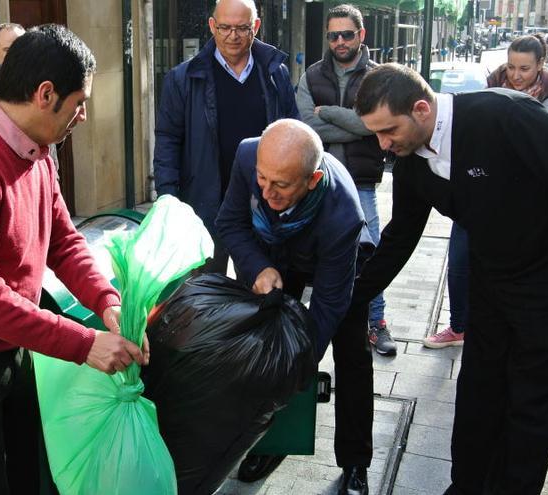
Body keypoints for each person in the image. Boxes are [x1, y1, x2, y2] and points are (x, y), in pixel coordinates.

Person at [0, 25, 148, 494]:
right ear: (45, 94)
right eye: (79, 103)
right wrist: (84, 344)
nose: (82, 116)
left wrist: (107, 302)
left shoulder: (39, 153)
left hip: (12, 345)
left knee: (31, 478)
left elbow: (63, 240)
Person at [353, 63, 548, 494]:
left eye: (388, 130)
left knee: (531, 407)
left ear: (421, 109)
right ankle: (467, 485)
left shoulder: (504, 116)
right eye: (375, 134)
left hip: (547, 288)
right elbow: (400, 236)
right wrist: (352, 296)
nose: (383, 145)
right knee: (477, 397)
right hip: (488, 282)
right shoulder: (411, 160)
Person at [216, 119, 372, 494]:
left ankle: (355, 462)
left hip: (336, 259)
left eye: (281, 185)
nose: (266, 192)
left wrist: (300, 361)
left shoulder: (344, 214)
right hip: (275, 252)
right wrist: (259, 267)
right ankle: (271, 443)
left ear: (312, 180)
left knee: (350, 351)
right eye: (262, 179)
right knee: (264, 344)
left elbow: (328, 307)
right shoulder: (248, 154)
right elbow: (231, 223)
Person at [428, 34, 548, 349]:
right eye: (512, 66)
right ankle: (459, 326)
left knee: (503, 268)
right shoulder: (492, 83)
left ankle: (502, 330)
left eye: (525, 69)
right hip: (479, 186)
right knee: (459, 259)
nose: (516, 75)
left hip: (522, 199)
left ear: (540, 66)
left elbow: (536, 150)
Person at [153, 0, 298, 274]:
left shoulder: (275, 73)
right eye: (225, 27)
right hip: (205, 207)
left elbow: (293, 132)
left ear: (255, 26)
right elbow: (168, 140)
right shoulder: (183, 78)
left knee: (260, 295)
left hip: (262, 206)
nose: (233, 36)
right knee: (204, 297)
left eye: (242, 28)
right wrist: (167, 198)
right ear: (212, 26)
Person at [296, 4, 396, 357]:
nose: (339, 41)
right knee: (313, 252)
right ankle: (312, 323)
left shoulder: (378, 77)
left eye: (347, 34)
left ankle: (376, 323)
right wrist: (354, 123)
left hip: (361, 181)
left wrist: (334, 115)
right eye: (333, 35)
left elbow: (373, 124)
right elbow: (306, 126)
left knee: (369, 254)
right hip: (317, 181)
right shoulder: (311, 75)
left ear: (361, 35)